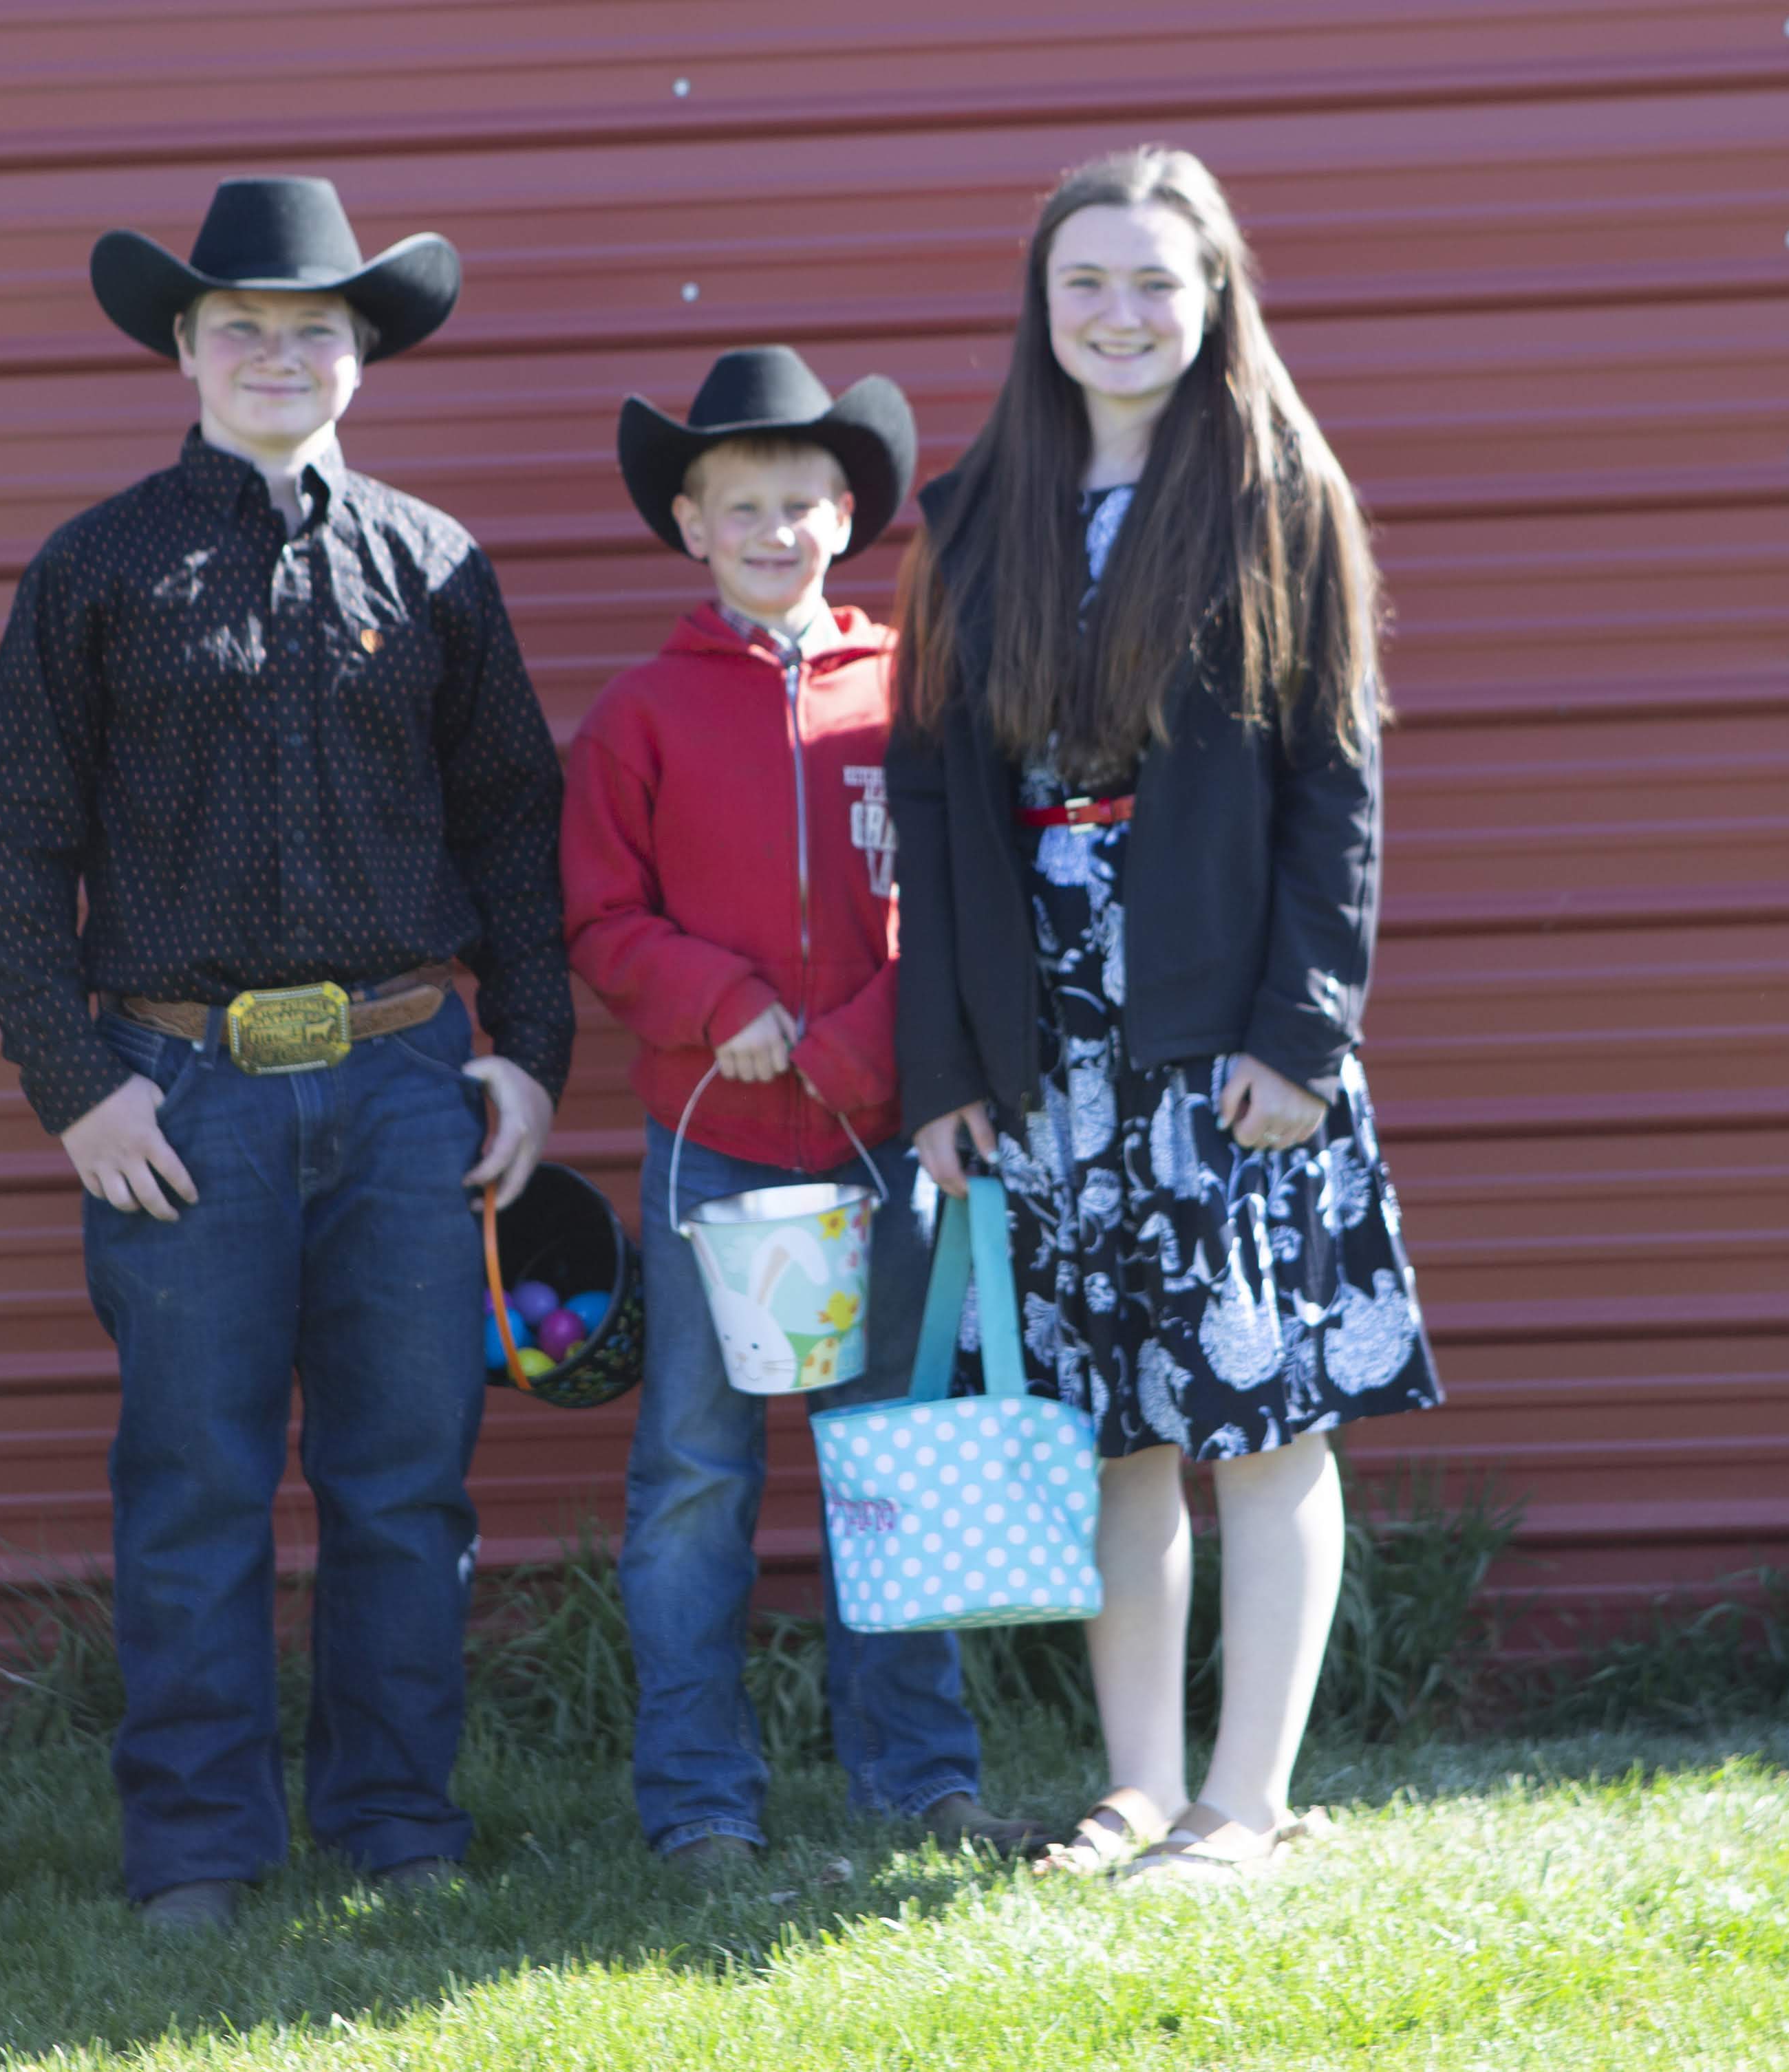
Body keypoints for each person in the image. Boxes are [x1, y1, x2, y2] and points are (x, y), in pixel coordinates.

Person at [0, 177, 570, 1932]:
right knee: (193, 1486)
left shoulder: (434, 563)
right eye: (241, 326)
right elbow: (11, 850)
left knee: (403, 1482)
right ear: (182, 345)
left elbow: (513, 823)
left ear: (360, 353)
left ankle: (396, 1825)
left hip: (403, 1083)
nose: (277, 355)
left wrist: (527, 1053)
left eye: (314, 329)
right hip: (179, 1097)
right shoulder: (95, 569)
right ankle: (197, 1848)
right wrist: (74, 1087)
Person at [886, 146, 1444, 1886]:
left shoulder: (1280, 493)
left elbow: (1335, 783)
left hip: (1225, 1037)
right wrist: (943, 1064)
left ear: (1212, 303)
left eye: (1152, 282)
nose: (1116, 314)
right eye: (1084, 283)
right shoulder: (973, 514)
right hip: (1040, 1043)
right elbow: (930, 805)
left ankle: (1243, 1803)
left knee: (1260, 1424)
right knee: (1108, 1433)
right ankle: (1134, 1789)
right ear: (1039, 307)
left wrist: (1303, 1032)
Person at [563, 347, 1052, 1877]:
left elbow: (963, 903)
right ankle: (697, 1798)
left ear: (847, 516)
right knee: (694, 1475)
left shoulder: (913, 694)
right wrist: (717, 1002)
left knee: (891, 1460)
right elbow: (599, 918)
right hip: (711, 1151)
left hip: (885, 1143)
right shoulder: (641, 715)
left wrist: (859, 1047)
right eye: (738, 506)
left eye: (799, 503)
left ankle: (918, 1777)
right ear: (689, 526)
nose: (771, 531)